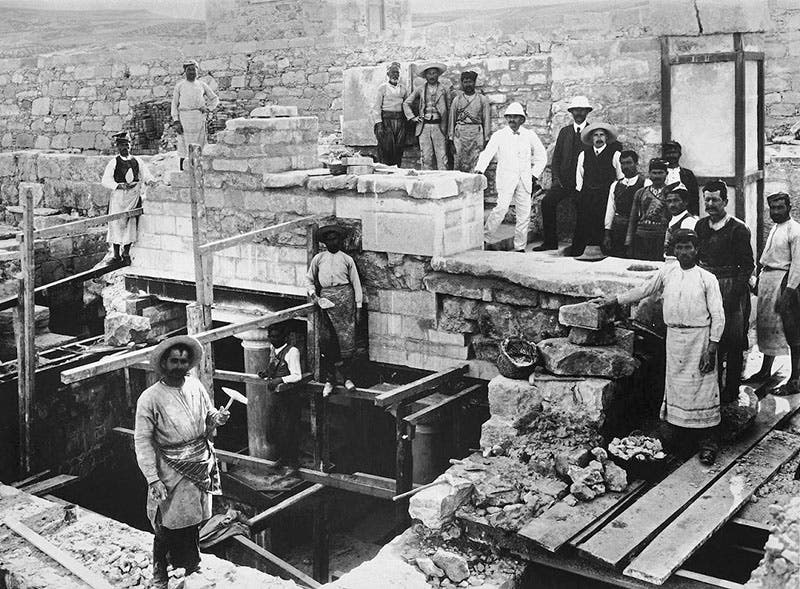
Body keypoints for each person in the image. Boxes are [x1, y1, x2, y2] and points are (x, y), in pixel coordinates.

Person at [593, 229, 725, 464]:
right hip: (674, 339)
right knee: (676, 388)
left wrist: (712, 348)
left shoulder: (707, 278)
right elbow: (644, 290)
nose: (684, 252)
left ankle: (708, 441)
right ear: (674, 250)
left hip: (700, 339)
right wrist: (614, 300)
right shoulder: (667, 272)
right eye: (679, 247)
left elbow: (718, 315)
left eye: (688, 247)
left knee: (703, 389)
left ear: (696, 250)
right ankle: (675, 435)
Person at [134, 336, 230, 588]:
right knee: (167, 522)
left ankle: (190, 563)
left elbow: (208, 414)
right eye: (174, 361)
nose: (179, 366)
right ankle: (160, 574)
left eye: (184, 361)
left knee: (194, 517)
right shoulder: (150, 398)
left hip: (199, 462)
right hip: (170, 467)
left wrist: (217, 418)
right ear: (164, 364)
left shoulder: (195, 386)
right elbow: (142, 440)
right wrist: (152, 478)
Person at [695, 180, 754, 403]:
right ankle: (713, 389)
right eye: (707, 200)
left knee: (733, 340)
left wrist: (734, 295)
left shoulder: (738, 229)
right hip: (706, 284)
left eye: (715, 200)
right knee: (709, 338)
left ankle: (731, 391)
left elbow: (747, 265)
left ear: (725, 202)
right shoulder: (700, 226)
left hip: (731, 287)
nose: (710, 204)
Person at [473, 102, 547, 253]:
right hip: (506, 178)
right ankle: (484, 239)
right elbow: (487, 153)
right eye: (509, 117)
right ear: (506, 118)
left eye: (516, 117)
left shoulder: (530, 135)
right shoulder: (499, 135)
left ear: (522, 119)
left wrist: (533, 175)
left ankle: (520, 247)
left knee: (524, 214)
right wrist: (480, 170)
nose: (512, 120)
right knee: (501, 208)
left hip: (525, 180)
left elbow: (542, 156)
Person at [748, 192, 800, 394]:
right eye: (773, 208)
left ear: (789, 208)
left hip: (784, 283)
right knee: (766, 329)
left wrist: (789, 291)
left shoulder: (795, 230)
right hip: (768, 282)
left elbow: (797, 264)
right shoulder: (775, 228)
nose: (776, 211)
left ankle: (795, 379)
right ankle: (765, 370)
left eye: (780, 207)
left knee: (792, 331)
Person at [306, 225, 363, 396]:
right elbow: (309, 279)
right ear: (325, 242)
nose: (332, 242)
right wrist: (314, 295)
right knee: (327, 341)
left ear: (339, 240)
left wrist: (358, 307)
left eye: (335, 239)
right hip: (326, 303)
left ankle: (347, 378)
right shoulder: (318, 259)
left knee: (346, 342)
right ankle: (330, 379)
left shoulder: (347, 259)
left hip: (345, 304)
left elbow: (356, 283)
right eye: (329, 239)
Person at [534, 96, 593, 252]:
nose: (579, 113)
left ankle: (578, 245)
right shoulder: (565, 132)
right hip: (563, 183)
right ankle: (550, 242)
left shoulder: (592, 132)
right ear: (571, 112)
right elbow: (557, 158)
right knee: (547, 203)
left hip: (583, 184)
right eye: (576, 110)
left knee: (583, 207)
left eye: (582, 110)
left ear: (587, 112)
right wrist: (556, 179)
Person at [571, 121, 623, 258]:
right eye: (595, 135)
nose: (599, 138)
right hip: (588, 194)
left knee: (603, 221)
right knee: (584, 221)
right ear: (591, 138)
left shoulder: (615, 154)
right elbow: (579, 175)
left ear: (606, 138)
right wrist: (579, 193)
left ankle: (604, 251)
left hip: (606, 194)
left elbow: (620, 177)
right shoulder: (584, 154)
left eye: (602, 135)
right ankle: (581, 251)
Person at [100, 131, 152, 265]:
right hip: (119, 198)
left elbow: (146, 175)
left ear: (130, 146)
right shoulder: (114, 162)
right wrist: (119, 185)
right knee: (116, 224)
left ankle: (126, 253)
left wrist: (151, 181)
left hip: (133, 196)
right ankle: (116, 255)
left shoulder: (137, 161)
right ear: (118, 147)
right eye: (122, 145)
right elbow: (105, 180)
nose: (125, 148)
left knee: (130, 223)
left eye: (127, 145)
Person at [258, 322, 304, 470]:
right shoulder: (273, 349)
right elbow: (275, 366)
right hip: (276, 397)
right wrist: (266, 373)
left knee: (289, 428)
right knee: (274, 428)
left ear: (285, 337)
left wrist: (280, 380)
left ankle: (294, 463)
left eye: (276, 336)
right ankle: (283, 458)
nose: (273, 339)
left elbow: (297, 375)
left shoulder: (292, 351)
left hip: (289, 397)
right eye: (271, 336)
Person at [171, 59, 219, 171]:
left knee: (199, 146)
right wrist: (176, 121)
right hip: (184, 119)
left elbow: (214, 99)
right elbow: (174, 104)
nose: (192, 72)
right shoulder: (180, 86)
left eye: (194, 70)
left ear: (197, 71)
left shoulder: (202, 85)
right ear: (185, 71)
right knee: (184, 148)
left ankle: (199, 172)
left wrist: (208, 108)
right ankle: (183, 172)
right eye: (189, 70)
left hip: (198, 119)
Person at [403, 61, 449, 170]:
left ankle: (443, 179)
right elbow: (406, 103)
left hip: (439, 126)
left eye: (434, 73)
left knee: (442, 157)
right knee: (426, 157)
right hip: (424, 127)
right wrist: (412, 117)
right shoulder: (420, 89)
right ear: (425, 76)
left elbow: (449, 107)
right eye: (429, 74)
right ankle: (426, 179)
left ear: (438, 75)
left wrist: (448, 128)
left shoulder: (444, 89)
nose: (432, 76)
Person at [603, 150, 648, 257]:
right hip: (618, 230)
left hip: (636, 230)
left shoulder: (645, 183)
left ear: (636, 164)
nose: (625, 167)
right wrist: (607, 234)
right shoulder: (615, 185)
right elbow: (610, 209)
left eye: (629, 163)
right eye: (622, 163)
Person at [625, 158, 670, 261]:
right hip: (641, 237)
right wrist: (628, 241)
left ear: (666, 174)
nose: (657, 176)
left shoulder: (671, 193)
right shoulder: (640, 193)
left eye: (660, 173)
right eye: (654, 173)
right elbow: (633, 218)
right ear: (649, 174)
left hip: (661, 237)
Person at [448, 70, 491, 172]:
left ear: (474, 82)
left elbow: (486, 120)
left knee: (476, 162)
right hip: (460, 135)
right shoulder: (457, 100)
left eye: (470, 82)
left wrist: (486, 138)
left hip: (476, 134)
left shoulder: (482, 99)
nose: (468, 84)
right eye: (465, 82)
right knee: (459, 163)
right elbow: (452, 119)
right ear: (462, 83)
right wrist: (451, 139)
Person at [371, 62, 409, 167]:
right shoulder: (382, 88)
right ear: (388, 74)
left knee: (398, 148)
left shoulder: (403, 89)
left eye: (397, 73)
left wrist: (408, 120)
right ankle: (385, 170)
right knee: (386, 148)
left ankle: (397, 170)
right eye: (393, 72)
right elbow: (376, 107)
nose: (395, 75)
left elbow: (407, 105)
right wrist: (379, 124)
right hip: (386, 121)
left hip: (400, 122)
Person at [662, 141, 699, 215]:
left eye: (674, 153)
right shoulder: (660, 173)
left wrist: (695, 215)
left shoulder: (687, 174)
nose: (671, 155)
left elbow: (694, 197)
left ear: (679, 154)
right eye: (668, 153)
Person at [663, 184, 697, 261]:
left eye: (676, 201)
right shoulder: (673, 219)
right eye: (669, 201)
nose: (672, 205)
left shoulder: (688, 221)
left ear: (685, 202)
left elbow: (686, 249)